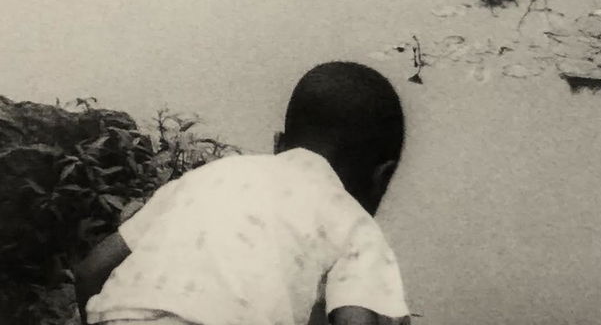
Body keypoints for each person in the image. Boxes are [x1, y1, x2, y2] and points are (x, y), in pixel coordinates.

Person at [74, 61, 413, 325]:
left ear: (278, 145)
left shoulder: (206, 177)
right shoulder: (353, 224)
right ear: (381, 177)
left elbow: (90, 271)